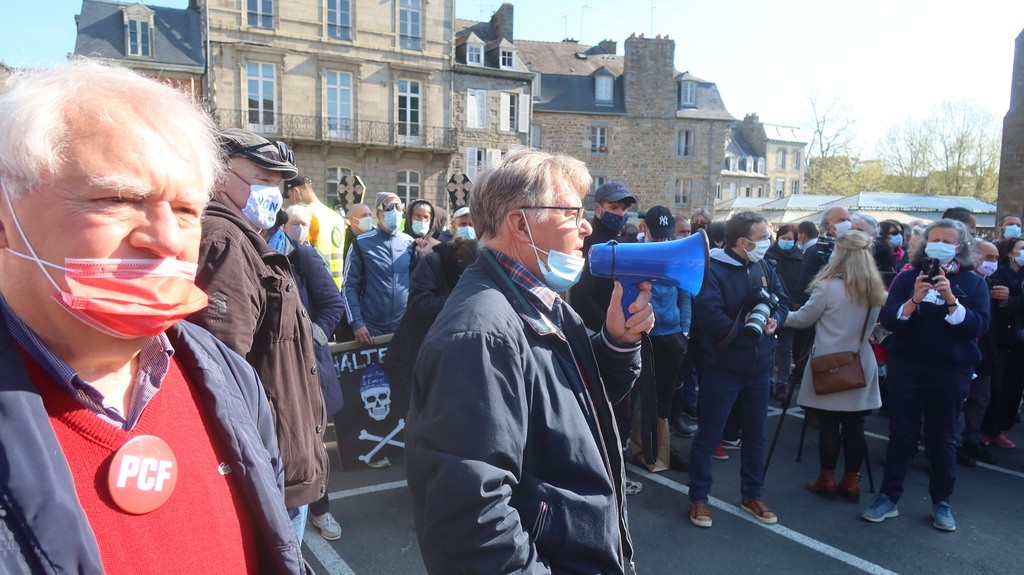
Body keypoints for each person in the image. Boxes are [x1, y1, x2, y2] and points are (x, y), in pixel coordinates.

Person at [0, 61, 307, 573]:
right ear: (6, 221)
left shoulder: (229, 377)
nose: (166, 239)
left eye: (188, 210)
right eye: (118, 198)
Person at [405, 148, 654, 574]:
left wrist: (616, 341)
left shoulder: (540, 302)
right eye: (571, 213)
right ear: (520, 223)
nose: (587, 226)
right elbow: (472, 527)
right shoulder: (481, 333)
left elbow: (573, 406)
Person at [189, 127, 328, 544]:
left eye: (278, 184)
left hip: (278, 462)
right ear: (217, 175)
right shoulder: (226, 241)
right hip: (267, 468)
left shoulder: (246, 238)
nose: (274, 192)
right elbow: (221, 371)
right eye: (262, 180)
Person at [862, 219, 990, 532]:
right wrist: (915, 299)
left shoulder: (973, 283)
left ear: (959, 247)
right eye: (935, 239)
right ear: (925, 243)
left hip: (950, 371)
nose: (941, 245)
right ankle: (888, 497)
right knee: (901, 434)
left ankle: (941, 502)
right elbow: (889, 318)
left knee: (942, 438)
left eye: (948, 240)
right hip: (908, 367)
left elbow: (978, 326)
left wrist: (950, 299)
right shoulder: (908, 277)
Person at [688, 211, 789, 528]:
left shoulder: (763, 265)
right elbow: (709, 317)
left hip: (760, 370)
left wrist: (775, 321)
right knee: (708, 437)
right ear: (742, 242)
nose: (768, 242)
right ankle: (699, 499)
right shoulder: (712, 269)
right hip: (724, 368)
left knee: (756, 436)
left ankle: (752, 495)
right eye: (763, 237)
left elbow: (783, 301)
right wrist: (743, 329)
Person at [784, 231, 886, 502]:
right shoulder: (876, 290)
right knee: (854, 425)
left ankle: (826, 478)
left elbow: (803, 319)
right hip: (859, 362)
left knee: (829, 424)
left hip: (828, 364)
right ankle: (852, 481)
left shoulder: (828, 287)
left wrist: (781, 315)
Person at [281, 204, 347, 541]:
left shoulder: (305, 258)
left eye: (299, 224)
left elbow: (335, 303)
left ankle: (321, 511)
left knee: (311, 449)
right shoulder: (258, 253)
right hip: (277, 377)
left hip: (311, 371)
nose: (293, 229)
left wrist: (310, 339)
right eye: (290, 223)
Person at [628, 206, 692, 471]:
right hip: (645, 336)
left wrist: (684, 331)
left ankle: (659, 451)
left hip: (672, 335)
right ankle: (638, 448)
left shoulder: (676, 252)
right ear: (646, 229)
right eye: (660, 234)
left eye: (667, 234)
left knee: (664, 397)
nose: (664, 240)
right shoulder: (635, 253)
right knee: (638, 394)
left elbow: (685, 295)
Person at [384, 235, 479, 391]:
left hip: (442, 357)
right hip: (413, 355)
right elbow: (417, 303)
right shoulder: (433, 262)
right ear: (459, 266)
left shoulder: (469, 269)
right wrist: (460, 302)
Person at [343, 192, 417, 345]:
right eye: (389, 206)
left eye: (399, 206)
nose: (395, 211)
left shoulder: (409, 243)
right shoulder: (361, 243)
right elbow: (349, 287)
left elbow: (416, 284)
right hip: (370, 329)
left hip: (402, 327)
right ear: (378, 213)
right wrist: (356, 322)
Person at [571, 181, 637, 331]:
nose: (620, 213)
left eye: (624, 208)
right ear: (597, 209)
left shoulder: (623, 243)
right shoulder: (585, 241)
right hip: (593, 331)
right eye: (613, 207)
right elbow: (581, 296)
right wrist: (609, 328)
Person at [958, 239, 1002, 467]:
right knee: (955, 400)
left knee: (981, 398)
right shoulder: (961, 281)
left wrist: (1006, 302)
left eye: (996, 258)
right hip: (961, 350)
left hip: (984, 352)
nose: (993, 262)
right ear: (973, 256)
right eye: (988, 257)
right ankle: (949, 444)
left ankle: (971, 441)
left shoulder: (996, 281)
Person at [980, 237, 1024, 449]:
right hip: (997, 338)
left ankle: (997, 429)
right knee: (993, 388)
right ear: (1010, 253)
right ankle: (985, 430)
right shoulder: (998, 272)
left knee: (1011, 388)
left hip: (1018, 341)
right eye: (1022, 248)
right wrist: (1007, 301)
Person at [286, 172, 348, 288]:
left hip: (317, 285)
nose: (290, 201)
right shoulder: (337, 217)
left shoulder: (306, 216)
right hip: (337, 286)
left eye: (289, 196)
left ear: (296, 191)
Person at [765, 224, 803, 401]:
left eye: (790, 239)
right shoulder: (768, 256)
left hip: (789, 309)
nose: (787, 242)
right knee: (770, 348)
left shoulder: (800, 258)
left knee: (785, 349)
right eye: (784, 238)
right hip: (771, 308)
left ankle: (782, 383)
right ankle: (769, 382)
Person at [878, 220, 906, 284]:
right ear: (883, 234)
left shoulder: (904, 254)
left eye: (900, 233)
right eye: (894, 233)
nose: (899, 236)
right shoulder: (877, 254)